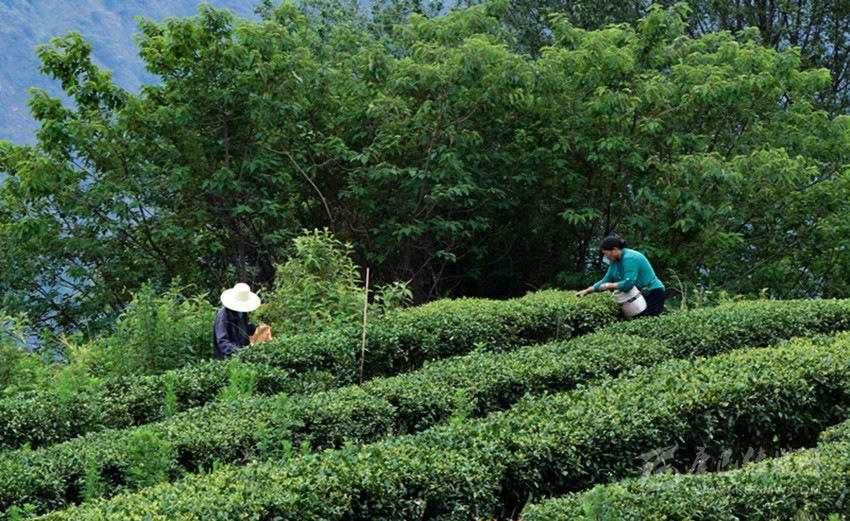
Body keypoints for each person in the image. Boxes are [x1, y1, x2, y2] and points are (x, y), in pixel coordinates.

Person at [575, 235, 666, 317]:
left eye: (607, 253)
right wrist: (587, 291)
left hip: (653, 293)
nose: (606, 257)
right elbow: (606, 279)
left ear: (614, 250)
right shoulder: (615, 262)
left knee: (649, 322)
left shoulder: (630, 258)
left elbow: (628, 284)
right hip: (638, 295)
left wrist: (608, 286)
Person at [213, 282, 266, 359]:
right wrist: (239, 352)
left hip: (241, 354)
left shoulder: (243, 312)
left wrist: (256, 328)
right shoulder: (223, 316)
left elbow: (242, 328)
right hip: (226, 358)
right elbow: (222, 341)